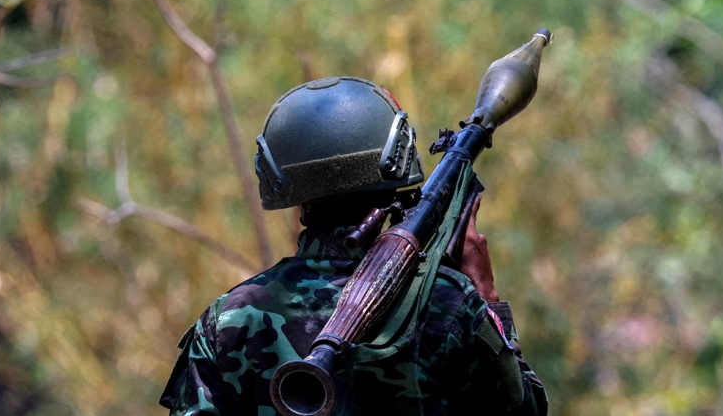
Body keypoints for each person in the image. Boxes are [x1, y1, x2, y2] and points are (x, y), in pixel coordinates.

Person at [159, 76, 547, 415]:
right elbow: (524, 410)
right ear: (396, 174)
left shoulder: (228, 319)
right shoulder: (449, 304)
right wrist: (485, 295)